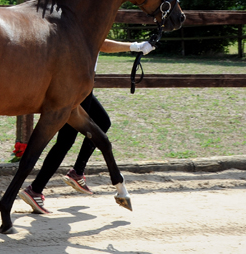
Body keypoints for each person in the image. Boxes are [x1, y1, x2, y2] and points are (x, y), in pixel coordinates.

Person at [19, 39, 155, 214]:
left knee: (102, 122)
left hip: (82, 85)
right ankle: (36, 189)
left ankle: (75, 172)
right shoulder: (87, 18)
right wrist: (136, 46)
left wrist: (137, 46)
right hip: (78, 84)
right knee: (66, 140)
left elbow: (100, 43)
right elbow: (101, 43)